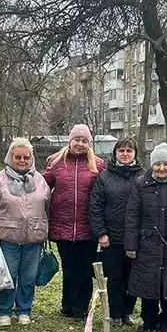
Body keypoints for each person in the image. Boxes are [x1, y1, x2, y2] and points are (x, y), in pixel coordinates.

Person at [0, 138, 50, 326]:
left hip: (33, 240)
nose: (22, 160)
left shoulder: (39, 180)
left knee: (28, 278)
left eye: (26, 157)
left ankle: (24, 310)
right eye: (18, 156)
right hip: (7, 239)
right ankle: (4, 311)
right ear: (10, 157)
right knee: (7, 277)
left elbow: (47, 207)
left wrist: (45, 230)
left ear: (31, 158)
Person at [44, 124, 105, 320]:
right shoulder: (55, 162)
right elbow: (42, 188)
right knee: (69, 268)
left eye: (84, 141)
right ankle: (67, 305)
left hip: (88, 227)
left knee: (85, 270)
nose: (80, 144)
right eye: (77, 140)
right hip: (62, 225)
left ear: (89, 143)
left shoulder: (98, 165)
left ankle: (81, 308)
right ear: (70, 141)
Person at [125, 142, 167, 332]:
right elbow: (132, 215)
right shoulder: (141, 184)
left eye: (166, 164)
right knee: (147, 284)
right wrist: (131, 244)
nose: (161, 168)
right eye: (157, 163)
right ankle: (149, 320)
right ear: (152, 164)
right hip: (147, 243)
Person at [89, 136, 143, 325]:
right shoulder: (104, 176)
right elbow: (95, 206)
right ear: (115, 154)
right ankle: (114, 313)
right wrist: (101, 233)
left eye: (129, 151)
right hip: (112, 237)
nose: (125, 154)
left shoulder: (143, 176)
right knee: (114, 277)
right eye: (121, 151)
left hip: (135, 238)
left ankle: (127, 311)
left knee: (132, 276)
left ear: (135, 153)